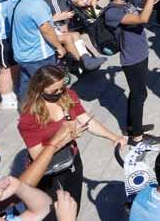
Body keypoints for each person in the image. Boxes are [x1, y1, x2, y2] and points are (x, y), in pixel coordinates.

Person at [17, 65, 128, 214]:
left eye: (62, 87)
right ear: (39, 88)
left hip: (72, 159)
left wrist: (114, 137)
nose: (60, 93)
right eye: (54, 90)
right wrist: (64, 140)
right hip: (48, 172)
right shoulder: (29, 116)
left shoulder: (68, 95)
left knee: (73, 205)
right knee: (52, 212)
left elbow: (85, 119)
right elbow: (37, 156)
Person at [9, 0, 96, 100]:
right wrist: (58, 47)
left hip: (22, 54)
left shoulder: (12, 1)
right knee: (52, 87)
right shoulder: (36, 4)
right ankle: (53, 112)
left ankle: (26, 111)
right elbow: (46, 30)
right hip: (40, 54)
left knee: (27, 86)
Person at [104, 0, 160, 146]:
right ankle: (137, 138)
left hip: (141, 53)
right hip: (131, 58)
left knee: (136, 93)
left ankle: (132, 126)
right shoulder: (113, 12)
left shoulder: (128, 2)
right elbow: (142, 18)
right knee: (139, 95)